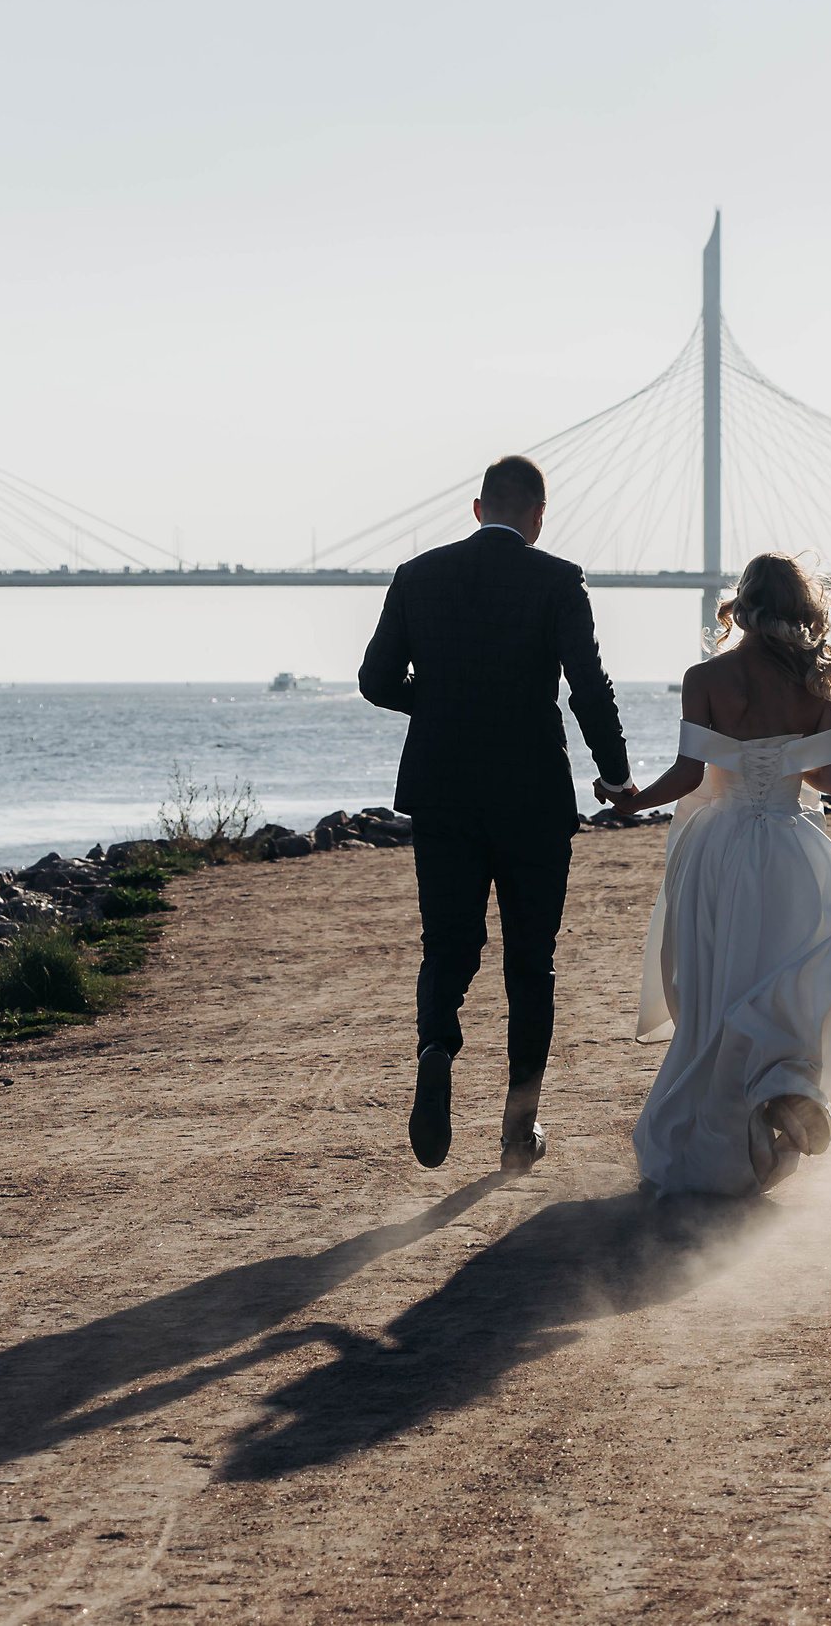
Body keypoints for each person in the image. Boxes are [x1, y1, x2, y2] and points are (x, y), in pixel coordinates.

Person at [359, 455, 632, 1173]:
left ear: (478, 509)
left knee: (447, 945)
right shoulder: (558, 580)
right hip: (532, 795)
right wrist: (616, 772)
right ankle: (518, 1129)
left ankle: (434, 1049)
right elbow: (588, 686)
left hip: (442, 790)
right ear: (538, 517)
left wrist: (439, 703)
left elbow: (375, 679)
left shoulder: (417, 575)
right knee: (531, 962)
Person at [604, 552, 831, 1196]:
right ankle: (785, 1085)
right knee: (781, 984)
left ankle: (725, 1138)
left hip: (719, 850)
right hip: (792, 853)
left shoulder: (705, 678)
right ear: (802, 609)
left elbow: (688, 775)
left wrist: (632, 801)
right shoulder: (816, 684)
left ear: (740, 605)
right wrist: (790, 748)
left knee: (713, 998)